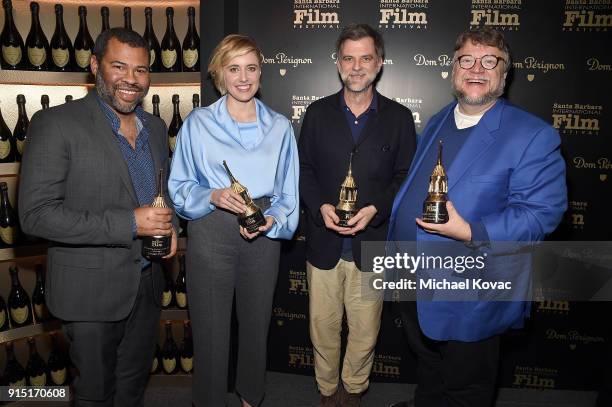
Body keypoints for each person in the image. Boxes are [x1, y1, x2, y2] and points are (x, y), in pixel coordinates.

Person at [386, 27, 567, 407]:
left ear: (506, 72)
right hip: (415, 274)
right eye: (466, 59)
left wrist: (471, 230)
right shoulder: (438, 119)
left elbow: (540, 215)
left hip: (472, 287)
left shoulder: (533, 135)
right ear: (453, 68)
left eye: (490, 61)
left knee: (466, 387)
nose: (477, 69)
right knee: (430, 365)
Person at [18, 28, 176, 406]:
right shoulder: (55, 123)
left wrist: (171, 228)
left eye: (140, 70)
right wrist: (130, 223)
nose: (131, 80)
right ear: (94, 66)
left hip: (147, 286)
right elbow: (36, 216)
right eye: (119, 66)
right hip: (89, 295)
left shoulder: (154, 128)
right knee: (95, 396)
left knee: (132, 390)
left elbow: (161, 193)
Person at [168, 34, 299, 407]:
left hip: (263, 233)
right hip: (211, 227)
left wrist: (273, 218)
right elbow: (179, 185)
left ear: (261, 72)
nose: (244, 78)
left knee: (257, 324)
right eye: (234, 68)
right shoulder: (198, 123)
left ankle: (249, 398)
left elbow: (288, 194)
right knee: (210, 328)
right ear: (219, 74)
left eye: (251, 68)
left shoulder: (280, 126)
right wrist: (212, 195)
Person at [299, 23, 417, 407]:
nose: (356, 66)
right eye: (348, 58)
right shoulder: (316, 114)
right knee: (322, 329)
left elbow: (406, 176)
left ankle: (352, 390)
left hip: (372, 244)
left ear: (379, 63)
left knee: (366, 333)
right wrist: (319, 206)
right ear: (338, 63)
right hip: (324, 243)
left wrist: (377, 208)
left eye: (365, 58)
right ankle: (327, 390)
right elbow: (304, 170)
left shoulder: (399, 118)